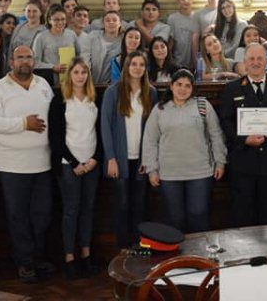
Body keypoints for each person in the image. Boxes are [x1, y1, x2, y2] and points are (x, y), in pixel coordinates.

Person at [0, 46, 55, 284]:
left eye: (29, 57)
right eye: (20, 57)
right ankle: (24, 262)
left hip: (43, 163)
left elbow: (55, 117)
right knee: (18, 216)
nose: (25, 61)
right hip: (12, 166)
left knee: (41, 215)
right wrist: (24, 123)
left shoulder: (43, 85)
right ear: (11, 62)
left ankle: (38, 256)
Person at [142, 69, 227, 233]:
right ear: (171, 86)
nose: (183, 89)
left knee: (198, 215)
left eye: (187, 86)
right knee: (175, 218)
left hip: (200, 172)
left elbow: (216, 135)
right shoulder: (160, 109)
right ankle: (179, 257)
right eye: (179, 84)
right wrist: (151, 169)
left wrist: (220, 162)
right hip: (169, 174)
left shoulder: (203, 106)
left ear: (192, 88)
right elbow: (150, 140)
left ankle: (199, 256)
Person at [218, 44, 267, 226]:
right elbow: (225, 122)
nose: (256, 63)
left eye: (260, 59)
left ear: (266, 61)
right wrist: (244, 139)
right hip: (243, 163)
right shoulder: (232, 89)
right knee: (243, 214)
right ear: (244, 62)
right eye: (251, 59)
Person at [48, 58, 101, 279]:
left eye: (83, 72)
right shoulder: (60, 99)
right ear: (69, 75)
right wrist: (74, 163)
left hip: (91, 164)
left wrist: (94, 159)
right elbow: (55, 137)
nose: (80, 76)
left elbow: (100, 132)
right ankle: (69, 257)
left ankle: (86, 255)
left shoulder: (94, 98)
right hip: (69, 165)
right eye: (76, 72)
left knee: (88, 210)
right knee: (71, 211)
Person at [101, 51, 158, 248]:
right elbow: (105, 126)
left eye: (141, 64)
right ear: (127, 67)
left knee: (140, 206)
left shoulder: (151, 92)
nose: (137, 68)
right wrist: (111, 158)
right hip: (119, 159)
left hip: (140, 160)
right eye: (133, 64)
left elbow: (152, 130)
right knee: (122, 205)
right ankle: (123, 249)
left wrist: (148, 160)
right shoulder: (113, 92)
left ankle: (139, 247)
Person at [32, 4, 80, 86]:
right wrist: (52, 67)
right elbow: (35, 63)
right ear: (49, 20)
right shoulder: (41, 37)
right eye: (56, 20)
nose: (60, 22)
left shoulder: (71, 34)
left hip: (70, 80)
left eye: (63, 19)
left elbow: (78, 55)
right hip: (48, 80)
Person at [78, 10, 122, 85]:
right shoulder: (93, 36)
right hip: (90, 83)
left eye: (114, 20)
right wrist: (87, 81)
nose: (111, 22)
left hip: (114, 85)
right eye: (107, 20)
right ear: (103, 23)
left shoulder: (124, 39)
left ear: (120, 23)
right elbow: (85, 58)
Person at [167, 0, 199, 70]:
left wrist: (196, 62)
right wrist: (171, 62)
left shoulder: (198, 17)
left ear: (192, 0)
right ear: (178, 1)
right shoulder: (172, 18)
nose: (185, 1)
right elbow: (170, 41)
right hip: (177, 62)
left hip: (195, 62)